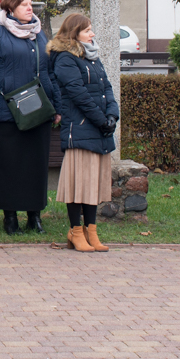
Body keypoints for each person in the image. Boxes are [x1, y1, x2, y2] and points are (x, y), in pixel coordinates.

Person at [0, 0, 62, 234]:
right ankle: (10, 216)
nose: (30, 8)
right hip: (6, 113)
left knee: (35, 165)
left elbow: (48, 72)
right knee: (9, 166)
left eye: (31, 3)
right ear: (10, 7)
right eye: (24, 4)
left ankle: (34, 216)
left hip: (38, 111)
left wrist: (55, 106)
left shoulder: (39, 34)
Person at [46, 14, 119, 252]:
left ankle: (92, 231)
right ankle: (75, 231)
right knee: (79, 184)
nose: (92, 33)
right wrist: (101, 120)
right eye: (87, 30)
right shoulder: (65, 59)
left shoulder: (93, 58)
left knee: (93, 185)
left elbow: (106, 87)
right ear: (74, 33)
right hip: (80, 128)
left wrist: (112, 115)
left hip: (99, 129)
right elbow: (78, 94)